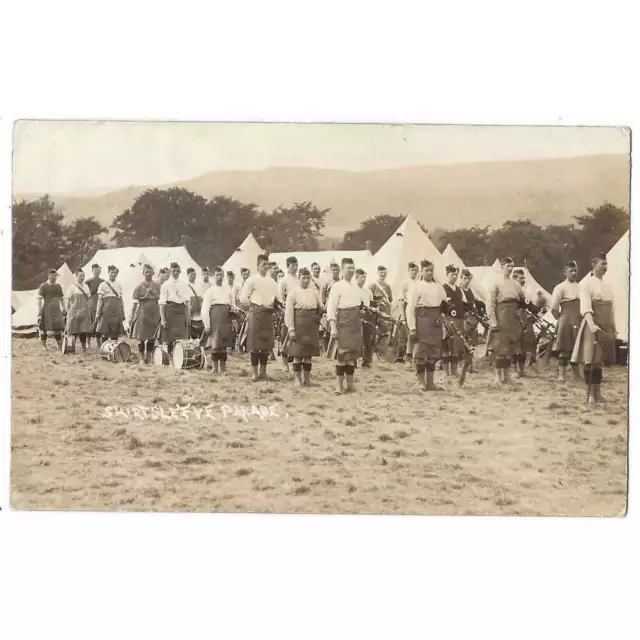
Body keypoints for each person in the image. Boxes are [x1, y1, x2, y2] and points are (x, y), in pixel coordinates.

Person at [570, 254, 616, 403]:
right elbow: (586, 307)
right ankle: (589, 395)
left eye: (606, 264)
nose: (605, 267)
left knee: (599, 361)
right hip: (593, 323)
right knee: (590, 359)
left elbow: (611, 309)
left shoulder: (608, 285)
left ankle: (598, 393)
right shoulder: (586, 284)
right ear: (594, 265)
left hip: (606, 324)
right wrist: (591, 324)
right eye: (602, 264)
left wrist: (613, 327)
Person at [407, 260, 447, 391]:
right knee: (421, 351)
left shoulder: (438, 287)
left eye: (431, 270)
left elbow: (444, 304)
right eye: (426, 270)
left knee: (433, 352)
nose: (429, 273)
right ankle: (421, 383)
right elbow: (410, 308)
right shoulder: (417, 287)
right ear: (422, 271)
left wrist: (442, 319)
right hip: (422, 321)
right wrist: (412, 327)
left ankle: (430, 383)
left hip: (435, 321)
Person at [326, 257, 365, 395]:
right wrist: (333, 327)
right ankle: (339, 386)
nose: (352, 270)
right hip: (342, 323)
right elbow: (331, 308)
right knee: (341, 356)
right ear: (342, 269)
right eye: (349, 268)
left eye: (353, 268)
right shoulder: (337, 286)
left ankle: (350, 385)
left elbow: (359, 305)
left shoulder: (356, 286)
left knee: (352, 357)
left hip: (355, 324)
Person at [486, 257, 525, 385]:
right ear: (502, 267)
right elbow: (491, 303)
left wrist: (519, 313)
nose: (510, 268)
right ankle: (498, 377)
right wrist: (493, 321)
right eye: (508, 266)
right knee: (500, 348)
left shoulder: (516, 284)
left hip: (512, 318)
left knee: (509, 348)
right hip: (500, 315)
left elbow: (522, 302)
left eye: (512, 266)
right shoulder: (495, 282)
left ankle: (507, 376)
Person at [240, 254, 279, 381]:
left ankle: (263, 372)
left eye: (267, 265)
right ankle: (254, 373)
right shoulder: (251, 280)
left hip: (268, 314)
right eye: (263, 265)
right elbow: (243, 298)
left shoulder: (272, 282)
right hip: (256, 313)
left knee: (265, 345)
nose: (266, 267)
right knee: (255, 345)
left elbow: (276, 297)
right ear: (257, 266)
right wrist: (254, 305)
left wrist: (276, 304)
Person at [285, 267, 323, 386]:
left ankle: (307, 379)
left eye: (308, 278)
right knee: (298, 353)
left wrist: (317, 317)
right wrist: (291, 328)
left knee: (308, 354)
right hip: (298, 324)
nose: (306, 280)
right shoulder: (293, 293)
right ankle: (297, 379)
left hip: (311, 325)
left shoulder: (314, 292)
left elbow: (321, 307)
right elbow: (289, 312)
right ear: (299, 278)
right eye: (303, 278)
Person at [550, 260, 582, 382]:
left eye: (575, 271)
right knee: (564, 348)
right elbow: (554, 307)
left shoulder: (580, 286)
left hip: (578, 318)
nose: (573, 273)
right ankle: (561, 375)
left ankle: (576, 374)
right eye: (571, 271)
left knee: (576, 347)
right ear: (565, 272)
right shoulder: (560, 287)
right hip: (566, 317)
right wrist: (561, 318)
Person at [512, 268, 547, 376]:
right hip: (514, 319)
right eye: (520, 278)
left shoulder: (526, 292)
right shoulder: (511, 291)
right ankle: (514, 371)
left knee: (524, 346)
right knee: (514, 345)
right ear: (514, 278)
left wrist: (539, 311)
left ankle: (521, 371)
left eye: (523, 278)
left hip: (525, 320)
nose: (523, 280)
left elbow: (530, 306)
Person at [202, 266, 234, 373]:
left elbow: (231, 304)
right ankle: (215, 368)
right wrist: (207, 324)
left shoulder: (227, 290)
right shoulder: (210, 291)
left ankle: (223, 368)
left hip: (225, 319)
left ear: (224, 276)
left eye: (221, 275)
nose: (219, 277)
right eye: (217, 275)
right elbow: (205, 309)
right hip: (214, 319)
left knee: (223, 345)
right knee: (215, 344)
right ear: (213, 276)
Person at [130, 264, 161, 365]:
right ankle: (141, 358)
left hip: (154, 312)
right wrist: (132, 317)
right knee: (142, 336)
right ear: (143, 273)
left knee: (152, 336)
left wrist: (153, 293)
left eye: (150, 272)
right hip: (143, 311)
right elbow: (135, 301)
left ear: (153, 273)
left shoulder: (157, 285)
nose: (148, 274)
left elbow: (161, 298)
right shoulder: (139, 286)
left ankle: (149, 357)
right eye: (146, 272)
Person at [158, 262, 192, 355]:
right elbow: (162, 303)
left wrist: (188, 317)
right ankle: (169, 357)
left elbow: (188, 302)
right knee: (169, 338)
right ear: (170, 271)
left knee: (182, 337)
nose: (176, 273)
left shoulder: (184, 284)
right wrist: (163, 319)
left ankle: (179, 357)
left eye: (177, 271)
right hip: (170, 312)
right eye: (174, 271)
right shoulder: (165, 285)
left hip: (181, 311)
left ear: (180, 271)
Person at [441, 265, 466, 377]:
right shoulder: (443, 288)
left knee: (456, 346)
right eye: (452, 274)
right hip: (447, 320)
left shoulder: (459, 290)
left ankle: (454, 371)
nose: (454, 277)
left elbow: (464, 304)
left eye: (456, 274)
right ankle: (446, 372)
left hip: (459, 320)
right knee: (446, 346)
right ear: (447, 275)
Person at [277, 256, 300, 372]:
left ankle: (295, 361)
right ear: (287, 267)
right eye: (292, 266)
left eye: (296, 265)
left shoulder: (299, 280)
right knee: (284, 336)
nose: (295, 268)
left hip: (298, 311)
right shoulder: (283, 281)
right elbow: (280, 297)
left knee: (296, 337)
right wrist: (284, 306)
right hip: (286, 311)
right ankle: (284, 363)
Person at [396, 261, 420, 365]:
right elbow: (401, 300)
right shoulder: (404, 283)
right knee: (409, 334)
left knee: (418, 335)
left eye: (416, 270)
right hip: (408, 308)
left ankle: (416, 357)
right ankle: (406, 358)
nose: (414, 272)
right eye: (412, 270)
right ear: (408, 271)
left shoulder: (419, 282)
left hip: (418, 310)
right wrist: (403, 317)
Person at [95, 265, 126, 343]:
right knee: (105, 332)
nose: (113, 274)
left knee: (115, 333)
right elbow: (100, 300)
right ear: (108, 273)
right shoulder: (103, 285)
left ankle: (113, 350)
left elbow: (121, 300)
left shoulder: (118, 284)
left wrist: (123, 313)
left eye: (115, 273)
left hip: (117, 311)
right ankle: (104, 349)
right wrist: (98, 313)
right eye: (112, 272)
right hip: (107, 310)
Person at [37, 269, 66, 350]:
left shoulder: (58, 286)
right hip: (47, 309)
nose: (54, 277)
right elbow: (39, 300)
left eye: (55, 275)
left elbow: (62, 298)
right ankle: (44, 345)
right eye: (52, 275)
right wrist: (40, 312)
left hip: (57, 309)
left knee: (58, 327)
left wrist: (64, 308)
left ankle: (59, 345)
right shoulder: (43, 286)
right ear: (48, 276)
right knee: (44, 327)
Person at [64, 269, 92, 352]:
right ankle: (71, 347)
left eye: (83, 275)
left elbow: (89, 299)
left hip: (84, 310)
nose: (82, 277)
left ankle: (84, 348)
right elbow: (67, 301)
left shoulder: (86, 287)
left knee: (83, 330)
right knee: (73, 329)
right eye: (80, 275)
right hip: (74, 311)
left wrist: (88, 308)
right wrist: (68, 311)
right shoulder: (72, 287)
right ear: (76, 276)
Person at [459, 268, 480, 373]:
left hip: (472, 318)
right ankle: (463, 364)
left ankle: (469, 366)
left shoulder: (471, 290)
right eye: (465, 278)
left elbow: (476, 301)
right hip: (464, 318)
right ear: (461, 279)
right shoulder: (459, 290)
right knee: (464, 341)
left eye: (468, 279)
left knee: (471, 342)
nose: (466, 281)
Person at [356, 268, 375, 368]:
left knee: (368, 339)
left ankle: (367, 361)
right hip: (355, 316)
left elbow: (371, 303)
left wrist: (372, 309)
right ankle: (353, 360)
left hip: (366, 316)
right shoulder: (352, 289)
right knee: (356, 339)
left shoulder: (367, 291)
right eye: (361, 277)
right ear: (356, 277)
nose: (363, 279)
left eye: (365, 277)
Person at [186, 267, 204, 340]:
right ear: (187, 275)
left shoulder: (199, 285)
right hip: (190, 309)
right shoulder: (185, 285)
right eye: (191, 275)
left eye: (194, 274)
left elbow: (202, 298)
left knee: (199, 327)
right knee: (189, 327)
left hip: (198, 309)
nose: (193, 276)